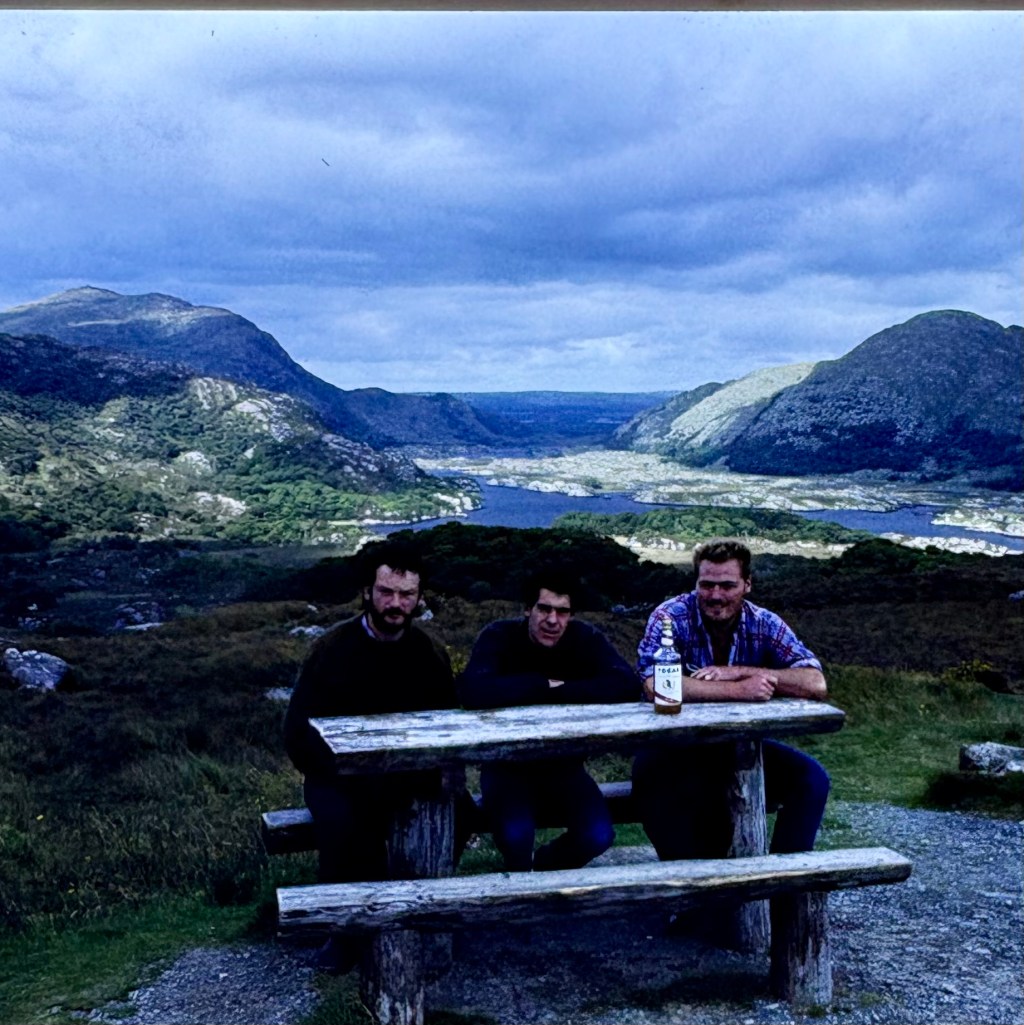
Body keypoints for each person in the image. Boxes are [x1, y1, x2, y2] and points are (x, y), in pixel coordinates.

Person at [284, 540, 471, 891]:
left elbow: (447, 727)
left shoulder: (429, 654)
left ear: (418, 597)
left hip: (407, 774)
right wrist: (353, 775)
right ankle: (343, 930)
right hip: (337, 777)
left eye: (406, 594)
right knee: (346, 827)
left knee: (462, 814)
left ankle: (423, 904)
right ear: (367, 592)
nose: (396, 604)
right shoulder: (330, 651)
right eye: (386, 592)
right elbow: (296, 736)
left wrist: (442, 777)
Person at [632, 539, 830, 862]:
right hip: (673, 749)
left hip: (740, 748)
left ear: (747, 584)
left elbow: (815, 681)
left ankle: (783, 887)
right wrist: (740, 690)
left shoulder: (764, 623)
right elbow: (655, 685)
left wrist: (735, 672)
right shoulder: (670, 617)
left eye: (727, 585)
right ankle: (691, 899)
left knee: (812, 781)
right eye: (706, 585)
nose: (715, 595)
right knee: (680, 802)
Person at [458, 568, 640, 872]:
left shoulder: (584, 639)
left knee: (598, 835)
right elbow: (475, 691)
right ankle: (520, 893)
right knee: (516, 836)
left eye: (562, 612)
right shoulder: (499, 636)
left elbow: (625, 684)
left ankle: (545, 868)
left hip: (563, 767)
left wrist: (563, 689)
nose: (553, 621)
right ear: (528, 608)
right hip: (506, 766)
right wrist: (542, 684)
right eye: (544, 609)